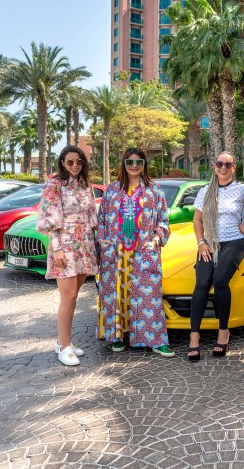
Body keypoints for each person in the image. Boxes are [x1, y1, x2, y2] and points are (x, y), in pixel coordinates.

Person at [189, 151, 244, 361]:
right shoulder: (205, 191)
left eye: (228, 164)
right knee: (201, 283)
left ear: (234, 167)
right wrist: (201, 243)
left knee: (219, 280)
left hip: (235, 241)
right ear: (214, 167)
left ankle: (223, 332)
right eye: (220, 164)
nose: (224, 168)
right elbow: (197, 221)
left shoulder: (241, 188)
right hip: (210, 243)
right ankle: (194, 337)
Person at [96, 147, 174, 357]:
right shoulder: (112, 190)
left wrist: (156, 240)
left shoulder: (154, 190)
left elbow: (164, 221)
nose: (134, 166)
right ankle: (118, 336)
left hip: (144, 252)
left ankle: (156, 340)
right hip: (115, 253)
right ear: (123, 164)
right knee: (117, 294)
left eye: (138, 162)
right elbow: (101, 220)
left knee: (149, 296)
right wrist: (104, 243)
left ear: (144, 165)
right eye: (130, 162)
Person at [37, 145, 99, 367]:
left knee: (75, 295)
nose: (75, 165)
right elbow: (49, 218)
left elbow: (92, 217)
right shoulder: (54, 185)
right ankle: (63, 347)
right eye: (70, 161)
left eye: (79, 162)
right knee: (68, 297)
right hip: (65, 243)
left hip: (84, 244)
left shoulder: (85, 185)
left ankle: (64, 342)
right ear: (62, 162)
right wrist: (57, 248)